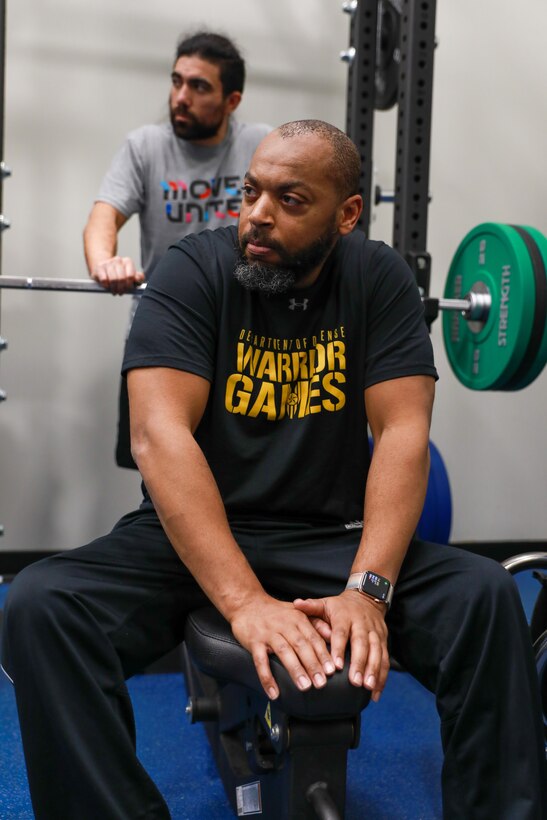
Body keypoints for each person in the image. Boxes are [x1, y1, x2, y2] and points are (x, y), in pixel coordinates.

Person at [2, 120, 546, 819]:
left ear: (346, 215)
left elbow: (404, 433)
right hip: (196, 532)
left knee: (481, 596)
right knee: (44, 607)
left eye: (289, 200)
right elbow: (157, 436)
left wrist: (369, 589)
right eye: (250, 191)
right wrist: (243, 602)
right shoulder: (192, 270)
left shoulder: (377, 278)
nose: (257, 214)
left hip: (333, 535)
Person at [83, 30, 271, 467]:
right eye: (176, 81)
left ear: (232, 101)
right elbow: (102, 219)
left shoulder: (262, 146)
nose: (180, 96)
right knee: (162, 472)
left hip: (243, 336)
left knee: (242, 471)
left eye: (199, 86)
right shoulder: (144, 147)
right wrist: (104, 262)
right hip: (164, 334)